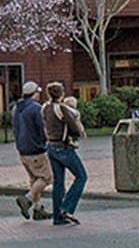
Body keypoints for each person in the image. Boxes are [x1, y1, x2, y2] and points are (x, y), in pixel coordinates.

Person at [41, 83, 88, 225]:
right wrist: (79, 133)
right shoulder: (61, 108)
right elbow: (74, 126)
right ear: (62, 94)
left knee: (58, 182)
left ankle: (57, 217)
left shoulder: (45, 108)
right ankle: (66, 208)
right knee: (81, 176)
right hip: (64, 147)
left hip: (51, 147)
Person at [11, 81, 50, 219]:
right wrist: (44, 141)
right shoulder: (35, 108)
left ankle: (38, 208)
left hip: (22, 149)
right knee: (46, 177)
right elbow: (41, 128)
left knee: (34, 179)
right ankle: (27, 199)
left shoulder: (16, 108)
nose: (39, 95)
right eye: (38, 92)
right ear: (34, 93)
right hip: (35, 149)